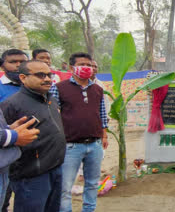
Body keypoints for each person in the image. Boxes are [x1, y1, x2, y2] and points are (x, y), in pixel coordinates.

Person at [0, 60, 66, 212]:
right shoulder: (12, 105)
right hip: (30, 176)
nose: (48, 79)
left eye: (49, 75)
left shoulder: (51, 99)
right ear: (23, 78)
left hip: (55, 168)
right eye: (40, 75)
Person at [49, 52, 108, 211]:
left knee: (92, 184)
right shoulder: (59, 88)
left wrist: (104, 134)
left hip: (94, 144)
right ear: (72, 67)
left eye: (89, 65)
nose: (87, 68)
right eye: (83, 64)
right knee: (65, 187)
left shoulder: (97, 89)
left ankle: (89, 209)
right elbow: (52, 115)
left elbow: (101, 113)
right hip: (70, 145)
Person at [0, 49, 28, 212]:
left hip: (32, 152)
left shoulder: (35, 87)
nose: (18, 65)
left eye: (22, 62)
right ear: (3, 65)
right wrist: (13, 134)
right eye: (13, 62)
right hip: (6, 153)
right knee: (4, 196)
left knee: (27, 196)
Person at [77, 60, 110, 182]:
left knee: (99, 147)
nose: (93, 68)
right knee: (81, 147)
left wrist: (106, 118)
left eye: (95, 66)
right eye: (91, 66)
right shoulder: (76, 85)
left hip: (98, 121)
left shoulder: (100, 84)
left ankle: (94, 169)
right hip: (81, 123)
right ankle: (81, 173)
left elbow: (105, 103)